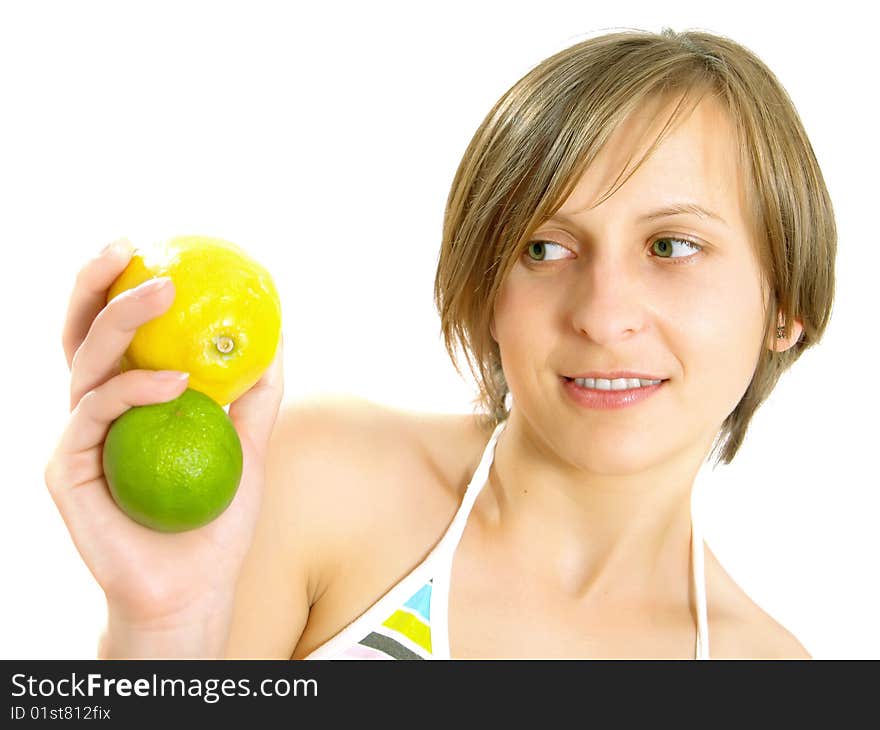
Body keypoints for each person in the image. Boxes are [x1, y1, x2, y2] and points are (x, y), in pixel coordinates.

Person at [44, 27, 835, 659]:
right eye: (544, 248)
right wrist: (163, 632)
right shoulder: (322, 480)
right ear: (489, 293)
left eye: (671, 246)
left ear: (785, 307)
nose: (603, 314)